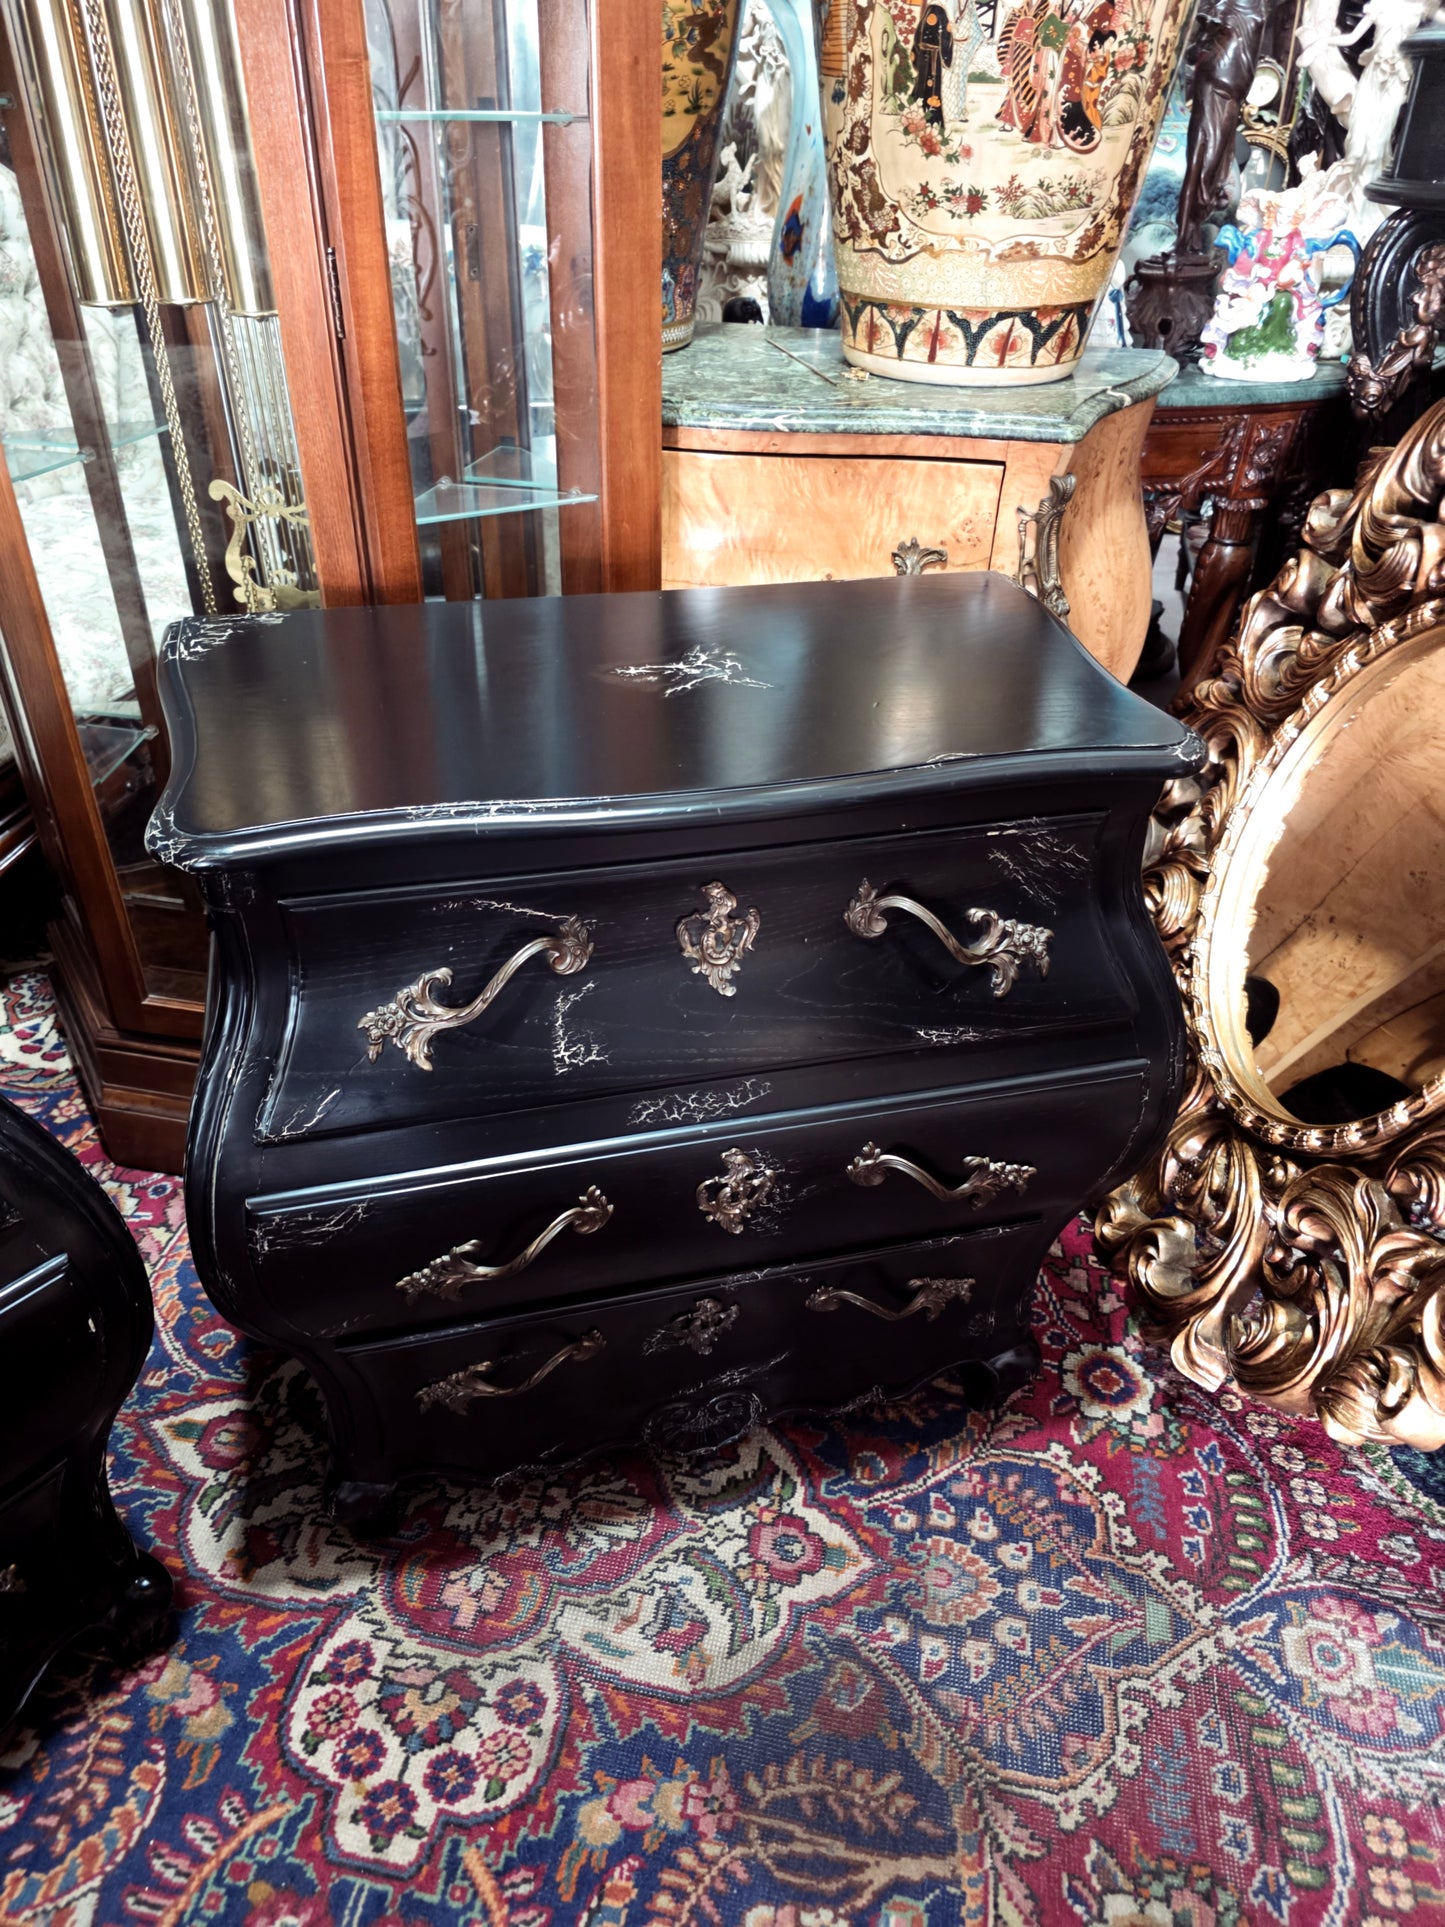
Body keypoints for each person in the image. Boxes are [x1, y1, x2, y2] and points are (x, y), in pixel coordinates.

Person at [911, 2, 955, 129]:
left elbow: (918, 36)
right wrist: (949, 35)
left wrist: (917, 53)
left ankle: (918, 114)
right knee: (932, 86)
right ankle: (932, 119)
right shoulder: (940, 11)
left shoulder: (928, 10)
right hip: (933, 57)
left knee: (923, 83)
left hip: (923, 55)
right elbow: (945, 36)